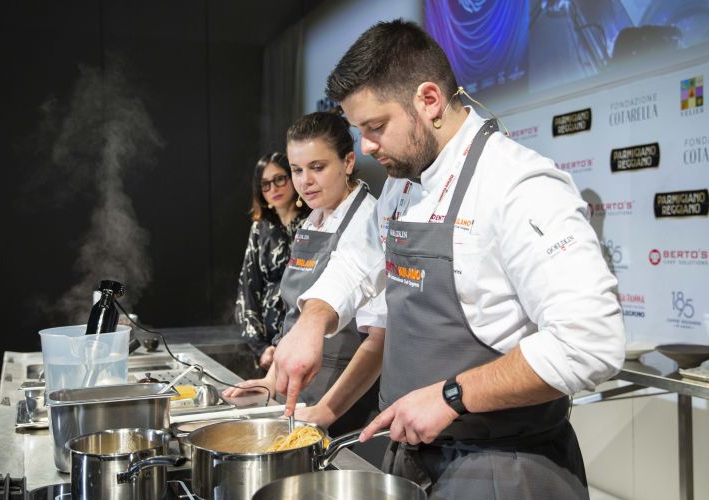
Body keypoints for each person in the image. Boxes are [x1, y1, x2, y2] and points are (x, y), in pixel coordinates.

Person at [272, 20, 625, 499]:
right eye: (360, 131)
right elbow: (360, 261)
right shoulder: (402, 182)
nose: (367, 147)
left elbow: (590, 343)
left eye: (375, 128)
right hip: (416, 461)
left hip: (504, 467)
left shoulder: (518, 187)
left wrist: (451, 395)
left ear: (429, 100)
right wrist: (313, 320)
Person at [225, 111, 383, 436]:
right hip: (300, 394)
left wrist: (326, 410)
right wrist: (271, 383)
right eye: (297, 170)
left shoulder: (368, 222)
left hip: (343, 402)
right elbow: (294, 320)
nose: (304, 181)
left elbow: (378, 342)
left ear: (348, 162)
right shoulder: (312, 222)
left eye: (317, 167)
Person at [235, 153, 309, 370]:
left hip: (305, 339)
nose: (273, 189)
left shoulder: (314, 222)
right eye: (265, 184)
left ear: (293, 177)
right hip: (269, 347)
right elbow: (247, 290)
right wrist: (260, 346)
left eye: (279, 179)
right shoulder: (260, 228)